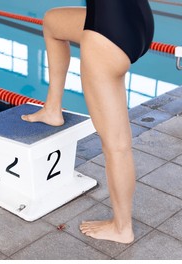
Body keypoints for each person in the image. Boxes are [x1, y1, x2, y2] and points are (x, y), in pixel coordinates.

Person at [21, 0, 154, 243]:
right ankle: (52, 109)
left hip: (107, 36)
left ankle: (122, 227)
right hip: (138, 20)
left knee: (117, 146)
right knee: (53, 22)